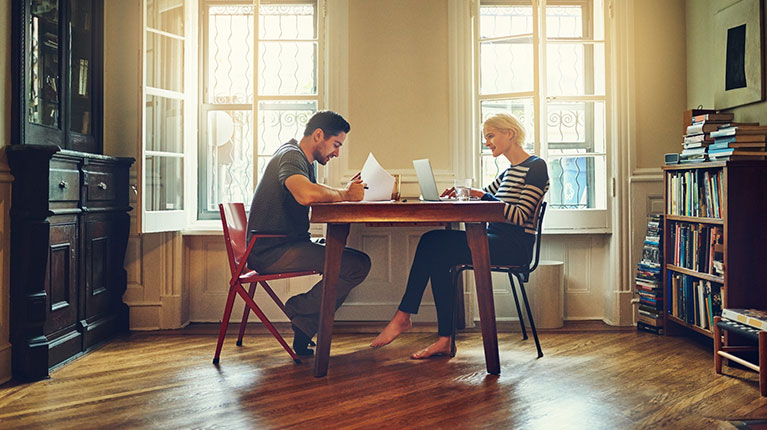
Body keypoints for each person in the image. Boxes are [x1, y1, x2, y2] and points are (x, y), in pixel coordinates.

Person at [370, 113, 549, 359]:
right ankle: (442, 339)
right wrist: (461, 193)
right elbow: (485, 195)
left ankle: (405, 317)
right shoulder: (510, 172)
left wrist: (480, 196)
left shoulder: (536, 167)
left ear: (510, 133)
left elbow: (519, 216)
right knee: (437, 250)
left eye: (491, 135)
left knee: (433, 242)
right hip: (492, 239)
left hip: (512, 246)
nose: (487, 142)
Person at [246, 110, 371, 356]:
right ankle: (300, 309)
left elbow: (311, 190)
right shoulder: (291, 156)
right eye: (336, 145)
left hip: (281, 244)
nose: (336, 153)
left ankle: (304, 324)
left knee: (350, 261)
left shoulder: (302, 160)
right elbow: (306, 195)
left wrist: (342, 193)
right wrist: (345, 195)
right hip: (270, 251)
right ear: (318, 135)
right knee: (355, 265)